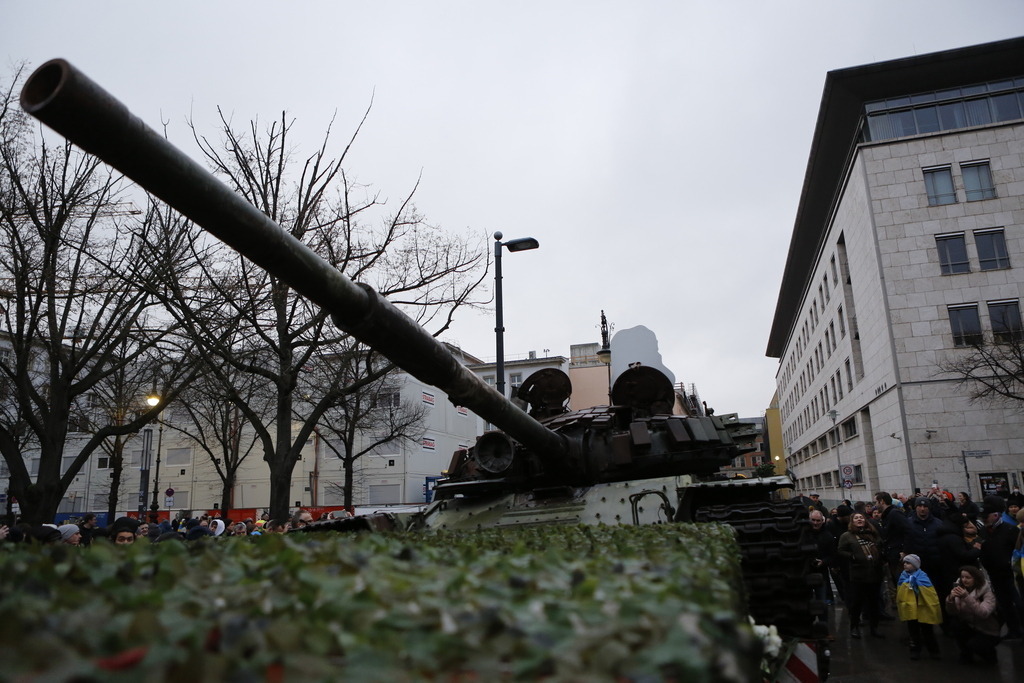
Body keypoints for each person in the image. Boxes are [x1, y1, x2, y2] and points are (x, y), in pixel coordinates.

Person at [978, 495, 1024, 639]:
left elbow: (1017, 550)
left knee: (1019, 603)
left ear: (996, 515)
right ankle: (1014, 630)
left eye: (987, 516)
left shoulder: (1010, 530)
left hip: (1011, 573)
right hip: (994, 573)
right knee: (1004, 604)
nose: (985, 519)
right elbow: (982, 549)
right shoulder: (983, 531)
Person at [837, 512, 886, 638]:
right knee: (856, 604)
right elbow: (841, 550)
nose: (859, 519)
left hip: (875, 574)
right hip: (858, 575)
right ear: (852, 521)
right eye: (856, 518)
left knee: (873, 603)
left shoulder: (872, 533)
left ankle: (874, 628)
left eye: (861, 517)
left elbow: (880, 544)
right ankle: (854, 627)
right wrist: (852, 556)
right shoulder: (847, 536)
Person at [946, 565, 1000, 666]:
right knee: (955, 624)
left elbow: (983, 613)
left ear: (975, 578)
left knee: (975, 645)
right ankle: (966, 655)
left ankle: (990, 656)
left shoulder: (987, 593)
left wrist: (966, 597)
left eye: (968, 577)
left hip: (987, 630)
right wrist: (951, 599)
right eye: (962, 577)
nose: (964, 580)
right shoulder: (960, 588)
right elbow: (954, 612)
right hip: (970, 625)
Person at [897, 554, 942, 660]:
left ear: (915, 565)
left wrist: (916, 584)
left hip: (923, 608)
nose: (905, 565)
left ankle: (934, 651)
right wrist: (907, 584)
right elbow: (900, 591)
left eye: (908, 563)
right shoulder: (903, 576)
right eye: (904, 563)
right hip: (911, 608)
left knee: (928, 631)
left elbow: (929, 592)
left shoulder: (922, 576)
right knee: (913, 631)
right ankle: (915, 650)